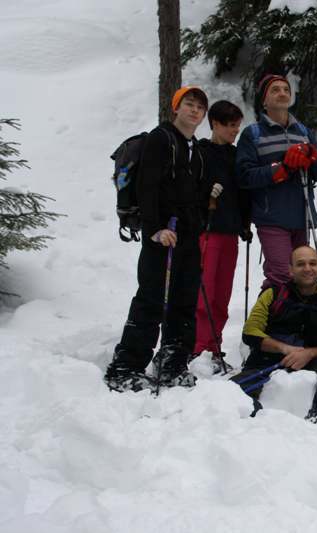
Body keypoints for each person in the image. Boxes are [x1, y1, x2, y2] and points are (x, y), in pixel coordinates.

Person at [105, 86, 210, 392]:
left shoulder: (195, 148)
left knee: (184, 302)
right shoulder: (160, 139)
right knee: (152, 299)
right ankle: (125, 366)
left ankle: (173, 363)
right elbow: (146, 186)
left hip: (188, 237)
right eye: (188, 105)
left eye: (199, 108)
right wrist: (154, 228)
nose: (194, 111)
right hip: (162, 236)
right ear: (175, 108)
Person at [232, 245, 317, 423]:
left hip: (310, 362)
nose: (308, 268)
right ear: (290, 269)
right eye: (300, 264)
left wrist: (308, 353)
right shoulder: (271, 295)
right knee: (230, 393)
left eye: (313, 263)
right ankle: (254, 417)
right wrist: (285, 349)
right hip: (265, 363)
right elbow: (250, 332)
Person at [236, 74, 317, 290]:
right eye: (275, 90)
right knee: (282, 275)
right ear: (264, 100)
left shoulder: (304, 132)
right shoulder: (253, 134)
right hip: (271, 217)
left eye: (286, 90)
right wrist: (283, 169)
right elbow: (244, 176)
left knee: (302, 277)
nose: (282, 93)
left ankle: (291, 319)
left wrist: (313, 155)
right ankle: (273, 320)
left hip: (302, 215)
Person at [191, 100, 250, 373]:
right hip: (207, 231)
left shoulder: (237, 155)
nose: (234, 130)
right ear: (214, 123)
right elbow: (190, 190)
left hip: (230, 232)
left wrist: (246, 223)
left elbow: (243, 193)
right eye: (230, 125)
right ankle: (198, 347)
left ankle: (214, 347)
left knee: (222, 296)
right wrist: (205, 198)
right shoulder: (200, 152)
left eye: (237, 125)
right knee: (205, 292)